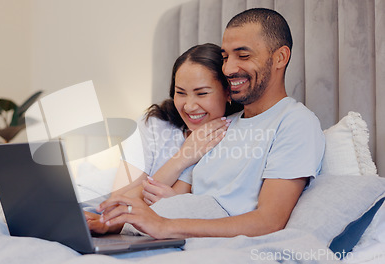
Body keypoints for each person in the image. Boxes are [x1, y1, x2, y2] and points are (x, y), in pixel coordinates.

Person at [95, 8, 325, 239]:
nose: (228, 68)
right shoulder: (217, 128)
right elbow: (167, 197)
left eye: (243, 56)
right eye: (225, 57)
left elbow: (269, 221)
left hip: (199, 241)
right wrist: (108, 222)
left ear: (280, 58)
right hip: (163, 235)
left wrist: (166, 226)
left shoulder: (295, 122)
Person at [85, 43, 242, 233]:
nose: (190, 106)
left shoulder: (235, 133)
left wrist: (173, 202)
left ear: (227, 92)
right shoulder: (154, 124)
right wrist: (182, 157)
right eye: (180, 93)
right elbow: (115, 204)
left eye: (202, 93)